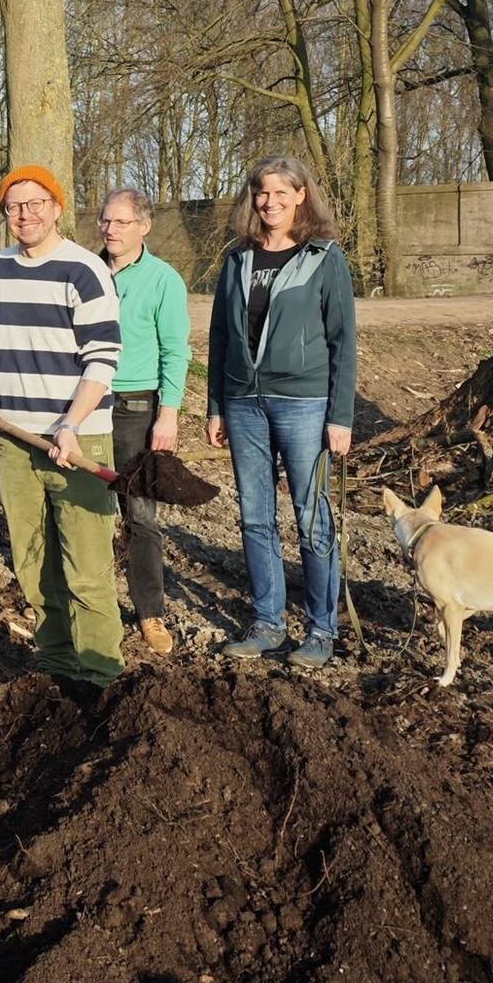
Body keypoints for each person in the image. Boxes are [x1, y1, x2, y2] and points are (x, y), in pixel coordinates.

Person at [0, 164, 124, 690]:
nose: (25, 214)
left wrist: (70, 425)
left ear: (57, 207)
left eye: (35, 203)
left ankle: (100, 672)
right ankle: (57, 663)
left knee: (86, 565)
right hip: (17, 438)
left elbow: (103, 360)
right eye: (14, 206)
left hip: (76, 438)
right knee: (33, 561)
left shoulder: (86, 270)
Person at [206, 155, 357, 671]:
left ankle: (320, 629)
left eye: (280, 193)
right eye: (261, 193)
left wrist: (341, 417)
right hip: (243, 402)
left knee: (312, 517)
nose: (269, 202)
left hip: (304, 404)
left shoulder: (324, 257)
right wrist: (215, 406)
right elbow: (220, 338)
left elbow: (343, 342)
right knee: (254, 517)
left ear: (301, 196)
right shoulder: (237, 259)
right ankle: (268, 623)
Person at [97, 188, 191, 657]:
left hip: (137, 408)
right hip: (85, 406)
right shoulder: (84, 271)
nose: (110, 230)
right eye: (105, 222)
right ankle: (90, 605)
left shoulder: (162, 279)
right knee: (86, 511)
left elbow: (176, 350)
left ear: (144, 227)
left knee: (140, 515)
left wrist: (168, 413)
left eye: (121, 222)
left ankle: (149, 611)